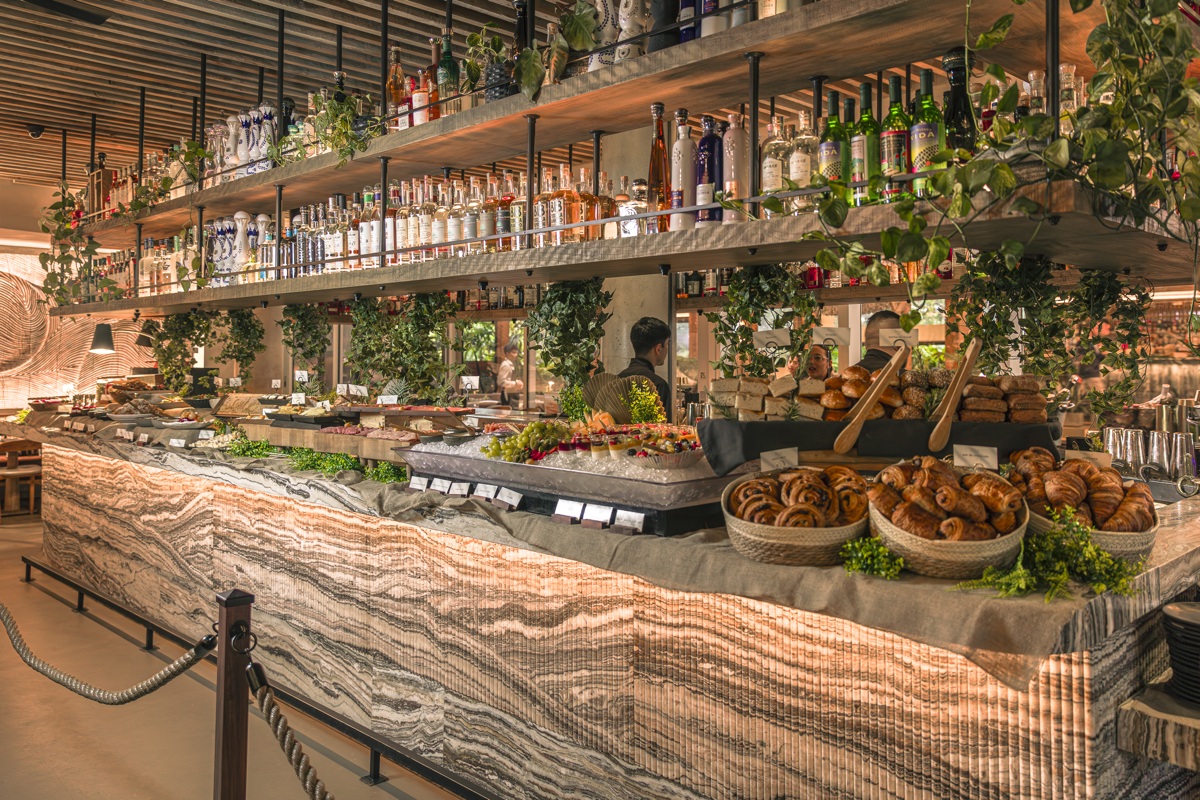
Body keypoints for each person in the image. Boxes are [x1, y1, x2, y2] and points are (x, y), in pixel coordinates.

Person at [618, 316, 671, 413]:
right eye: (667, 343)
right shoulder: (658, 385)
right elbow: (664, 422)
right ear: (658, 349)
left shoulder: (616, 379)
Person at [496, 341, 524, 407]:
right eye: (513, 353)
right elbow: (501, 382)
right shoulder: (505, 365)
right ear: (507, 354)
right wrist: (516, 383)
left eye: (516, 353)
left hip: (512, 393)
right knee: (509, 411)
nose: (516, 355)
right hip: (507, 394)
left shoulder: (511, 364)